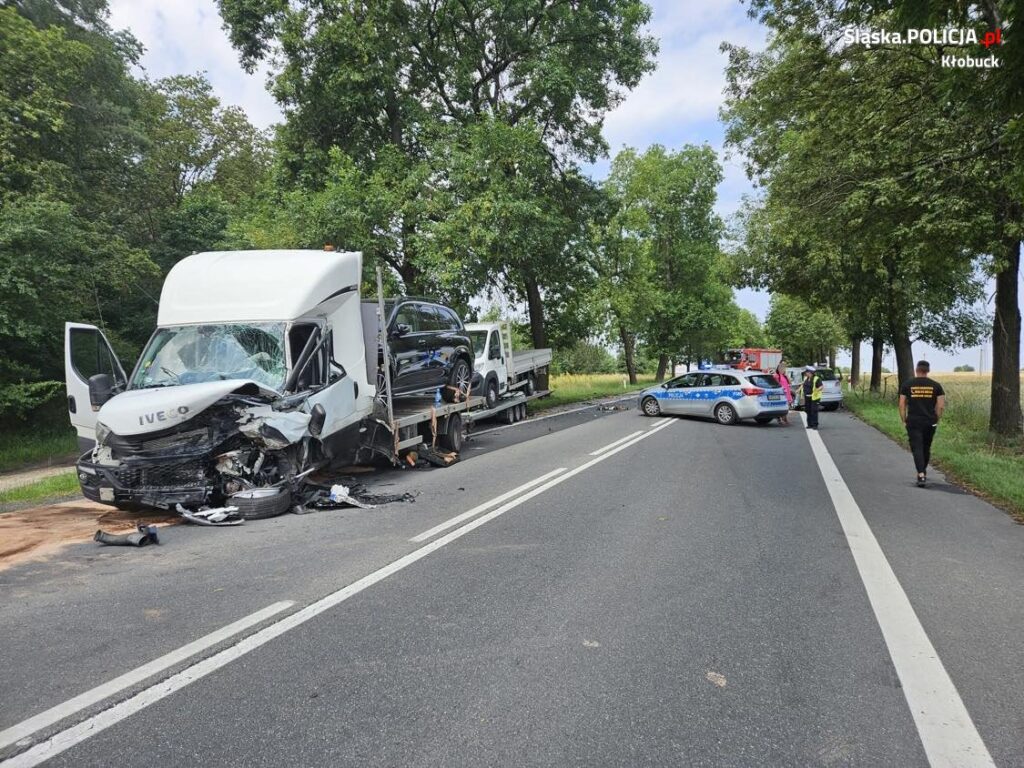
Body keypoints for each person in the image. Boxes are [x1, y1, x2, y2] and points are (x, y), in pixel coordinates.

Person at [898, 360, 945, 487]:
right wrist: (936, 419)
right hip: (930, 422)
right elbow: (940, 406)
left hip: (913, 421)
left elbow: (902, 404)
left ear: (917, 370)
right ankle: (922, 471)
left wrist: (903, 420)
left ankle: (921, 474)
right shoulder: (936, 386)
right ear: (928, 370)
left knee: (917, 447)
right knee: (926, 447)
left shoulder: (907, 384)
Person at [802, 365, 823, 429]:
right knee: (808, 411)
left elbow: (821, 386)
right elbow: (803, 385)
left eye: (807, 372)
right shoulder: (806, 378)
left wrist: (817, 390)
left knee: (814, 411)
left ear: (810, 372)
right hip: (807, 397)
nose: (806, 373)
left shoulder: (816, 378)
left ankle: (815, 425)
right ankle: (809, 424)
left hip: (814, 397)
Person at [774, 361, 793, 425]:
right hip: (781, 394)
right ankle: (781, 419)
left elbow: (790, 383)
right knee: (781, 406)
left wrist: (786, 375)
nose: (783, 370)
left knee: (786, 407)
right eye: (781, 368)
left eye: (784, 368)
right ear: (778, 369)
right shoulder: (777, 376)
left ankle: (784, 418)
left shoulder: (784, 376)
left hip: (787, 393)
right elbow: (776, 384)